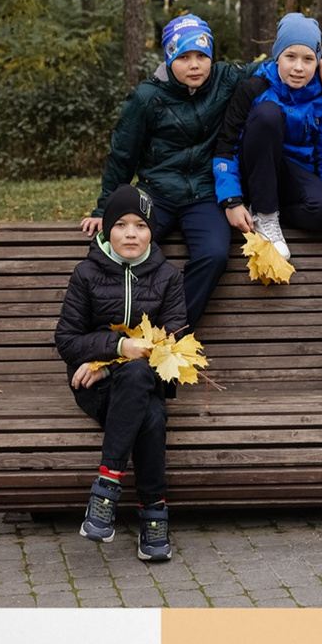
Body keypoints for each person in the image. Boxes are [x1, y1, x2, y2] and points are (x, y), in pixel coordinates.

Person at [55, 185, 189, 564]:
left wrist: (114, 360)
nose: (131, 233)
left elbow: (174, 342)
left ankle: (106, 487)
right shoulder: (85, 274)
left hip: (146, 378)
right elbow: (66, 338)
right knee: (150, 414)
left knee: (139, 386)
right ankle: (154, 513)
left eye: (141, 225)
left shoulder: (167, 277)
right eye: (121, 224)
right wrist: (113, 351)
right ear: (106, 230)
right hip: (94, 388)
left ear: (152, 232)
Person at [96, 13, 238, 327]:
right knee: (116, 248)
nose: (195, 65)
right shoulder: (147, 98)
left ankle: (168, 333)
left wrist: (319, 59)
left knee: (215, 255)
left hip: (203, 193)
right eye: (184, 56)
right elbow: (123, 156)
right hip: (155, 191)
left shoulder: (225, 79)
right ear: (169, 58)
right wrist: (104, 208)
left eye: (202, 56)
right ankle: (113, 328)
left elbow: (272, 69)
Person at [209, 13, 322, 284]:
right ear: (276, 57)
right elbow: (227, 146)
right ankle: (266, 215)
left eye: (308, 60)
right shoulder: (254, 87)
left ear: (318, 62)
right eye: (290, 57)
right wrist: (232, 200)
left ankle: (268, 209)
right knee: (269, 114)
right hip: (256, 168)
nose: (298, 67)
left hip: (291, 175)